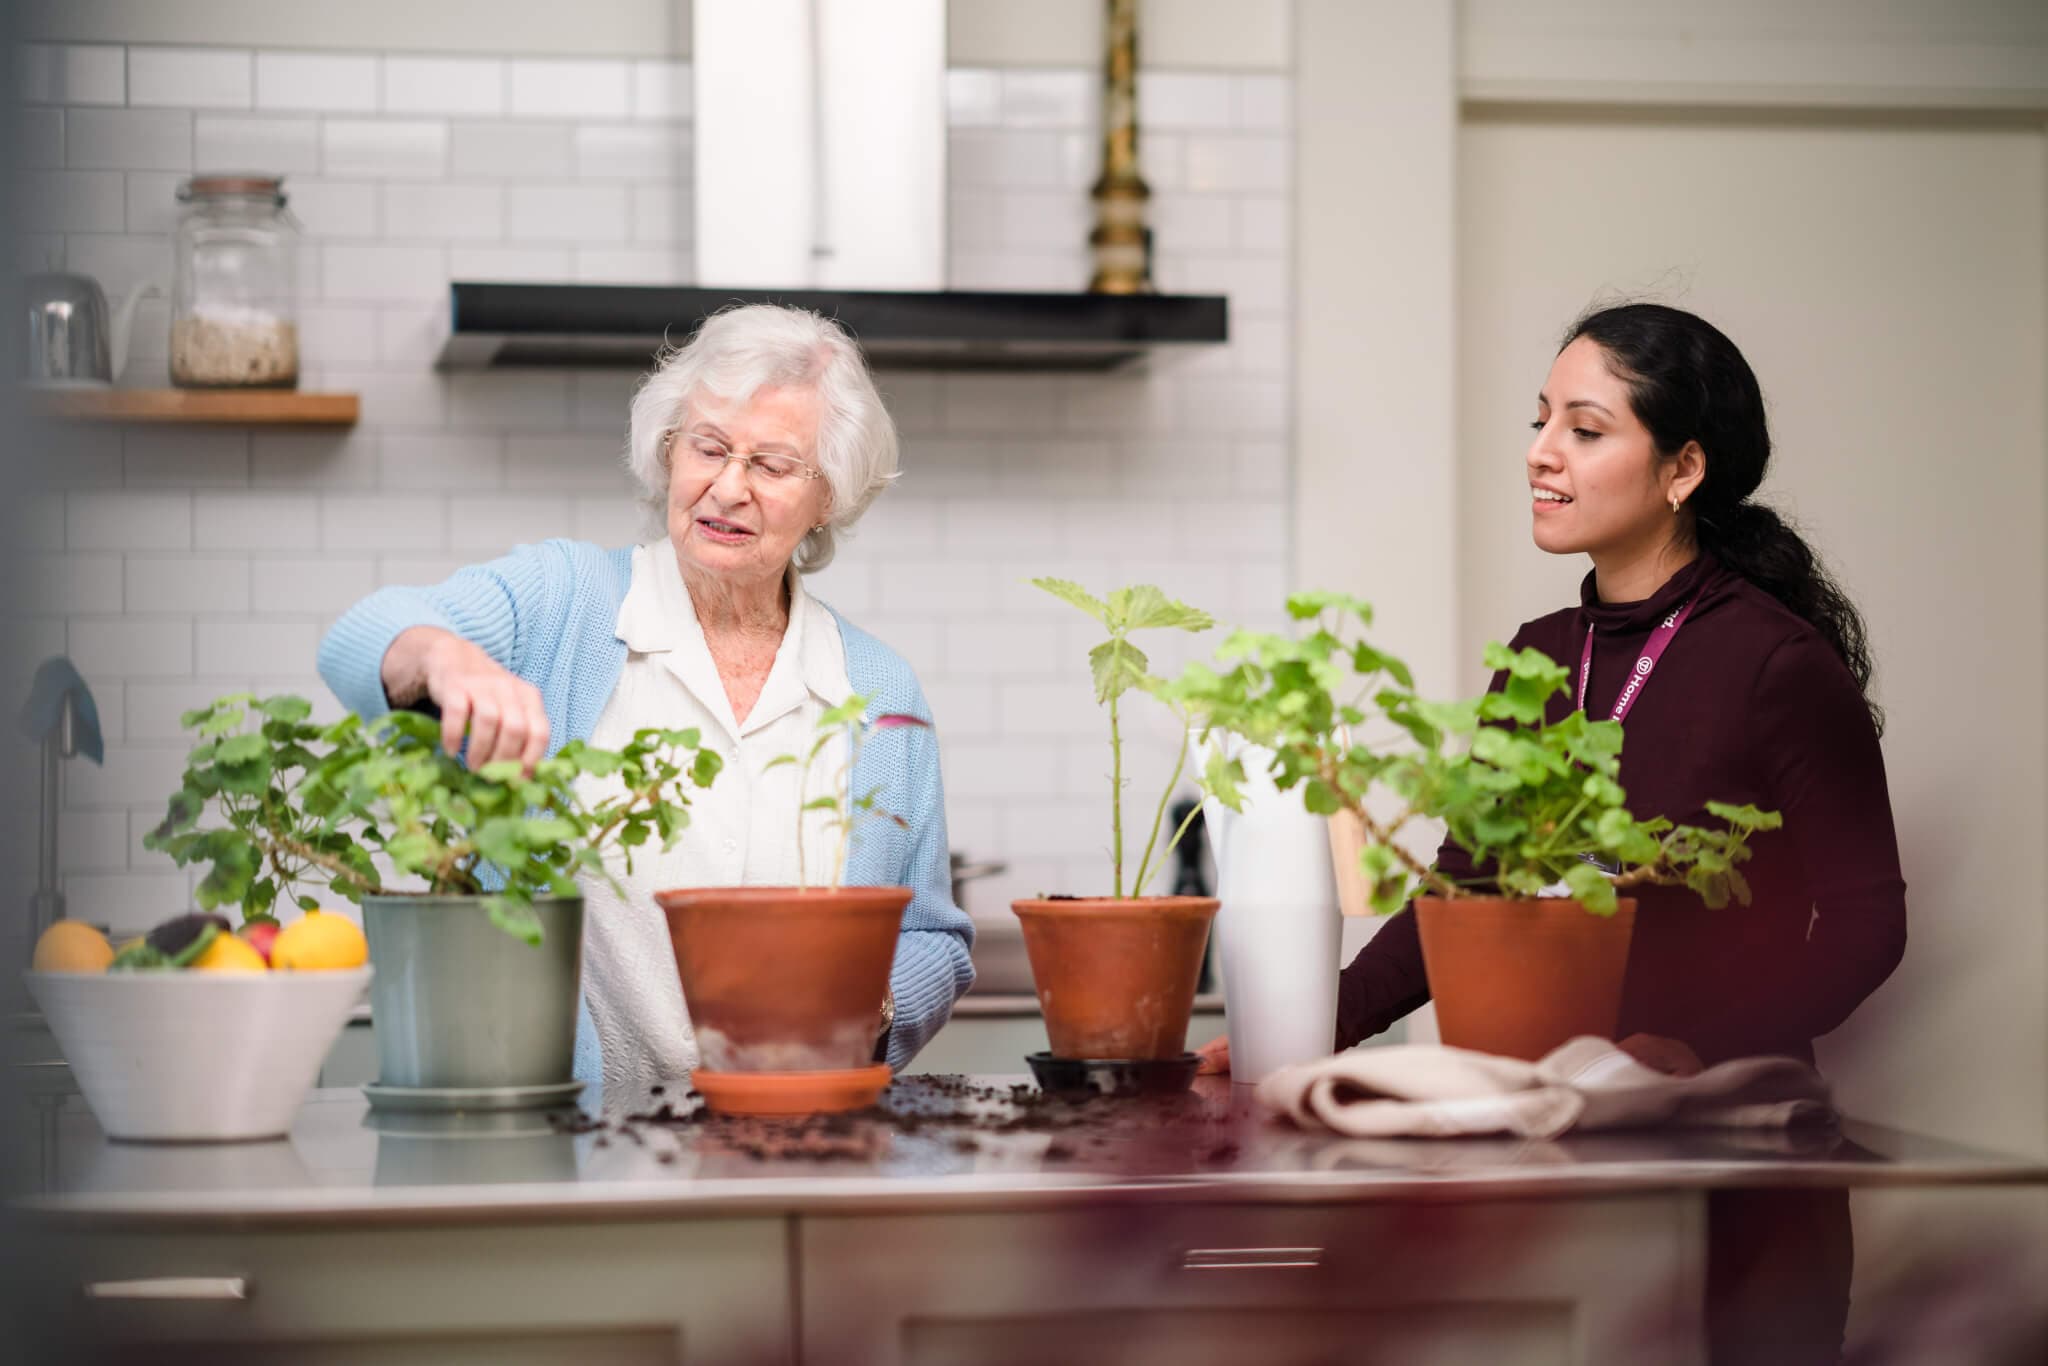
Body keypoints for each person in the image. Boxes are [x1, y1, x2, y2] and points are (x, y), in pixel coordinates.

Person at [1202, 302, 1907, 1364]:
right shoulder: (1539, 656)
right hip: (1552, 1146)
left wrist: (1692, 1049)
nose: (1539, 453)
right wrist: (1307, 1037)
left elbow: (1864, 926)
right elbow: (1460, 892)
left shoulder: (1775, 663)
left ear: (1681, 469)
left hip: (1729, 1163)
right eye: (1540, 421)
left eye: (1583, 429)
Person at [318, 304, 974, 1099]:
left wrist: (874, 1006)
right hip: (569, 1152)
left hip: (793, 1144)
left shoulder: (876, 689)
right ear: (668, 454)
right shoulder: (567, 600)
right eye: (707, 448)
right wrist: (447, 658)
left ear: (826, 496)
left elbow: (935, 937)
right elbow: (361, 635)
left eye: (770, 465)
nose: (727, 488)